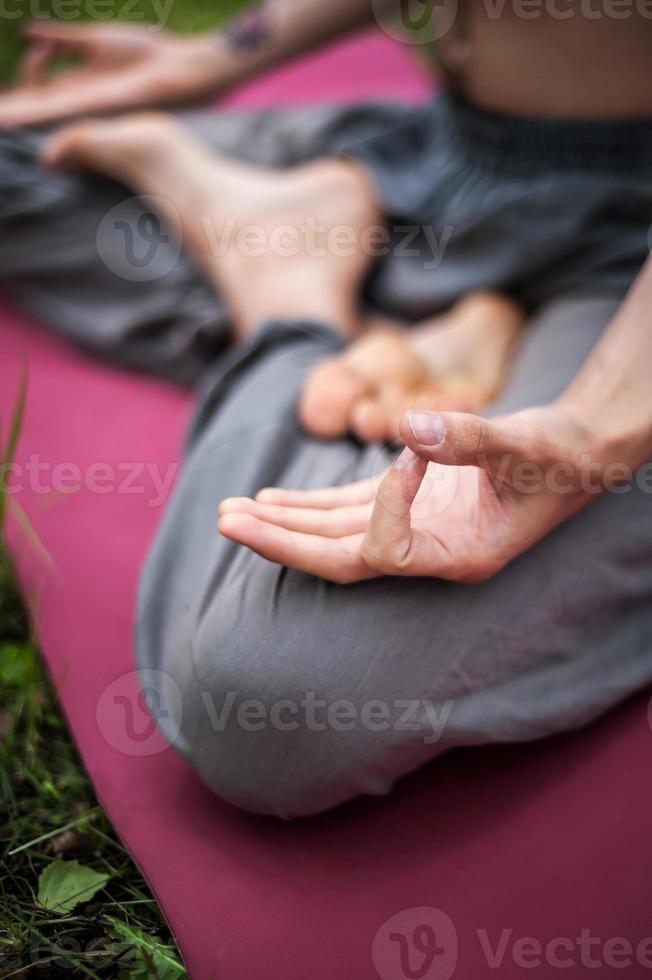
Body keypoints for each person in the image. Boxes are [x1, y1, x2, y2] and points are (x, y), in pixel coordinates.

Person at [0, 2, 651, 818]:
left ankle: (290, 296)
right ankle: (426, 320)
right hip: (446, 154)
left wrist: (599, 425)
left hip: (628, 258)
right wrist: (217, 58)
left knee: (271, 706)